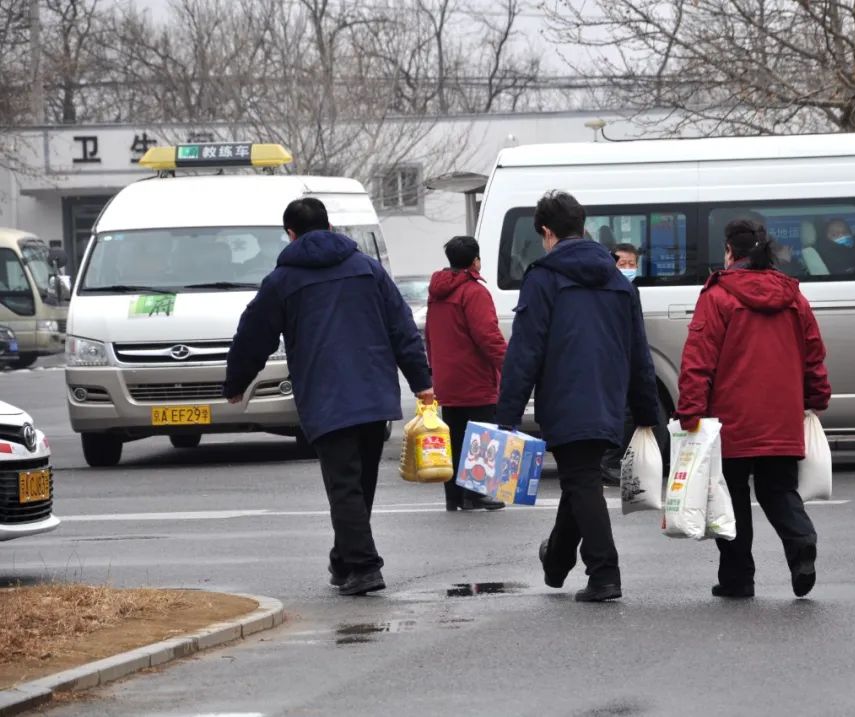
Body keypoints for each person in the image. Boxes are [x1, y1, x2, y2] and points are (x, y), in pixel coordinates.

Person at [223, 197, 432, 597]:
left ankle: (364, 566)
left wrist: (236, 382)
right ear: (331, 226)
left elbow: (253, 334)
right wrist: (421, 380)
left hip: (325, 396)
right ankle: (344, 560)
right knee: (359, 484)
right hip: (373, 393)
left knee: (344, 485)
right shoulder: (368, 269)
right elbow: (401, 326)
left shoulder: (282, 281)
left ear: (290, 234)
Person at [496, 190, 660, 603]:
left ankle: (604, 572)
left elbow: (526, 350)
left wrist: (508, 415)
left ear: (547, 232)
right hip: (609, 399)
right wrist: (645, 409)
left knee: (582, 480)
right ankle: (556, 561)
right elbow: (638, 350)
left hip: (564, 398)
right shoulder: (618, 280)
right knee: (579, 479)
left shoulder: (544, 277)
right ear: (582, 226)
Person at [677, 219, 831, 599]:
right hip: (782, 418)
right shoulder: (793, 296)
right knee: (778, 489)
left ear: (730, 251)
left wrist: (690, 412)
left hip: (731, 421)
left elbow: (698, 360)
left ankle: (737, 578)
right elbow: (813, 353)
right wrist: (816, 397)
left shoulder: (717, 295)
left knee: (730, 497)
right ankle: (801, 543)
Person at [425, 235, 507, 512]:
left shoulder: (437, 293)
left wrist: (434, 369)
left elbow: (430, 335)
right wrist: (509, 366)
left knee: (456, 437)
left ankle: (454, 496)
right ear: (475, 261)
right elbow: (488, 336)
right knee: (481, 435)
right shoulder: (474, 292)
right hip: (475, 377)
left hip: (447, 379)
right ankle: (476, 493)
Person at [600, 242, 645, 487]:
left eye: (632, 264)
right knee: (624, 413)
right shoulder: (613, 289)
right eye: (622, 264)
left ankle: (610, 461)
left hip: (623, 358)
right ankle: (609, 461)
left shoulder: (630, 289)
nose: (628, 268)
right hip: (615, 360)